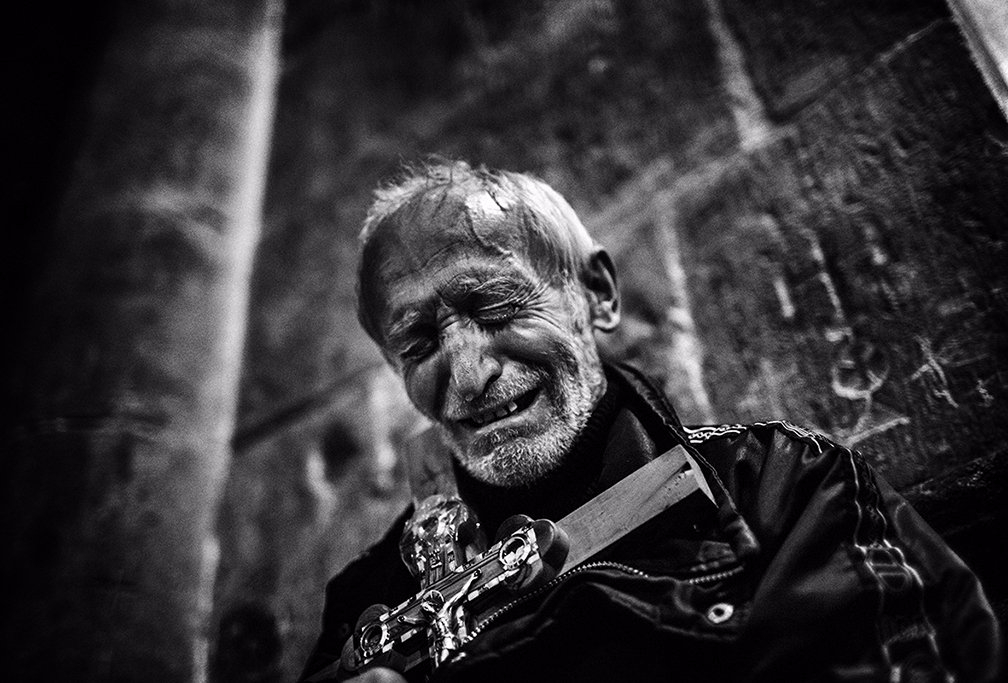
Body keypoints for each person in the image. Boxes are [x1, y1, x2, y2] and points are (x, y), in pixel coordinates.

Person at [299, 161, 1001, 682]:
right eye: (418, 344)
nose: (466, 374)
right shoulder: (367, 601)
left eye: (498, 307)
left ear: (597, 294)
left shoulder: (781, 487)